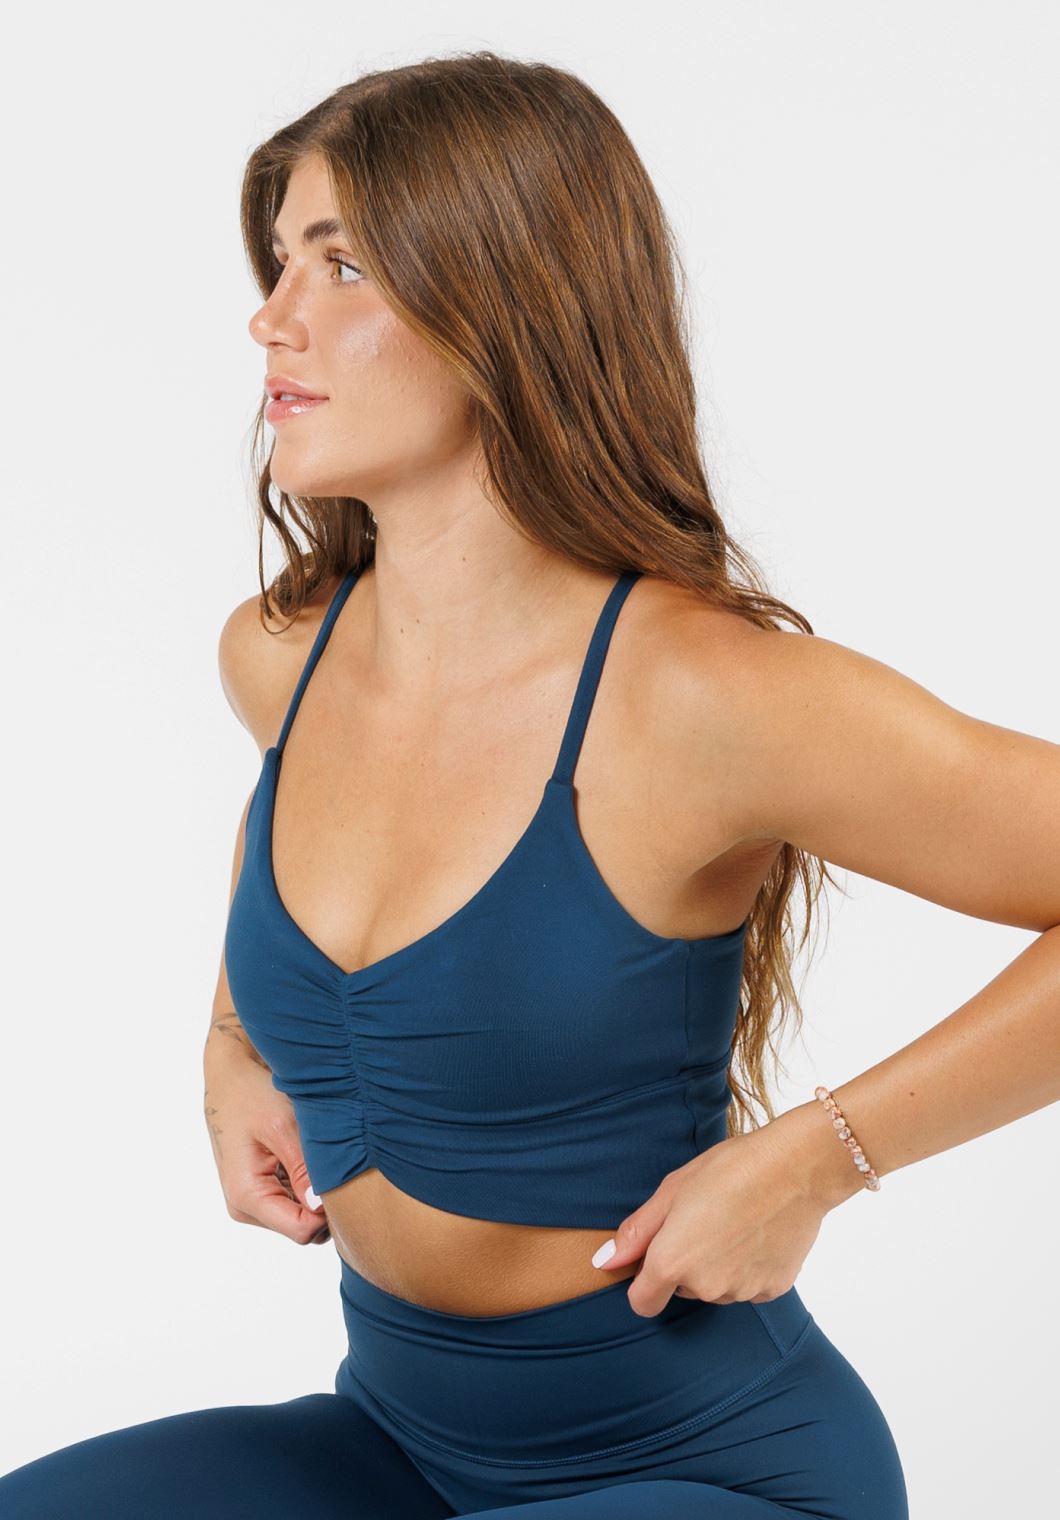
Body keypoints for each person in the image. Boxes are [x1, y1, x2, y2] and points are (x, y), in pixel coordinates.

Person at [3, 50, 1057, 1520]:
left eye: (342, 265)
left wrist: (821, 1158)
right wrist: (233, 1041)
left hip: (713, 1469)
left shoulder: (700, 698)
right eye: (280, 261)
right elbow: (300, 845)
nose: (272, 316)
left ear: (504, 308)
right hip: (400, 1441)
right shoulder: (284, 658)